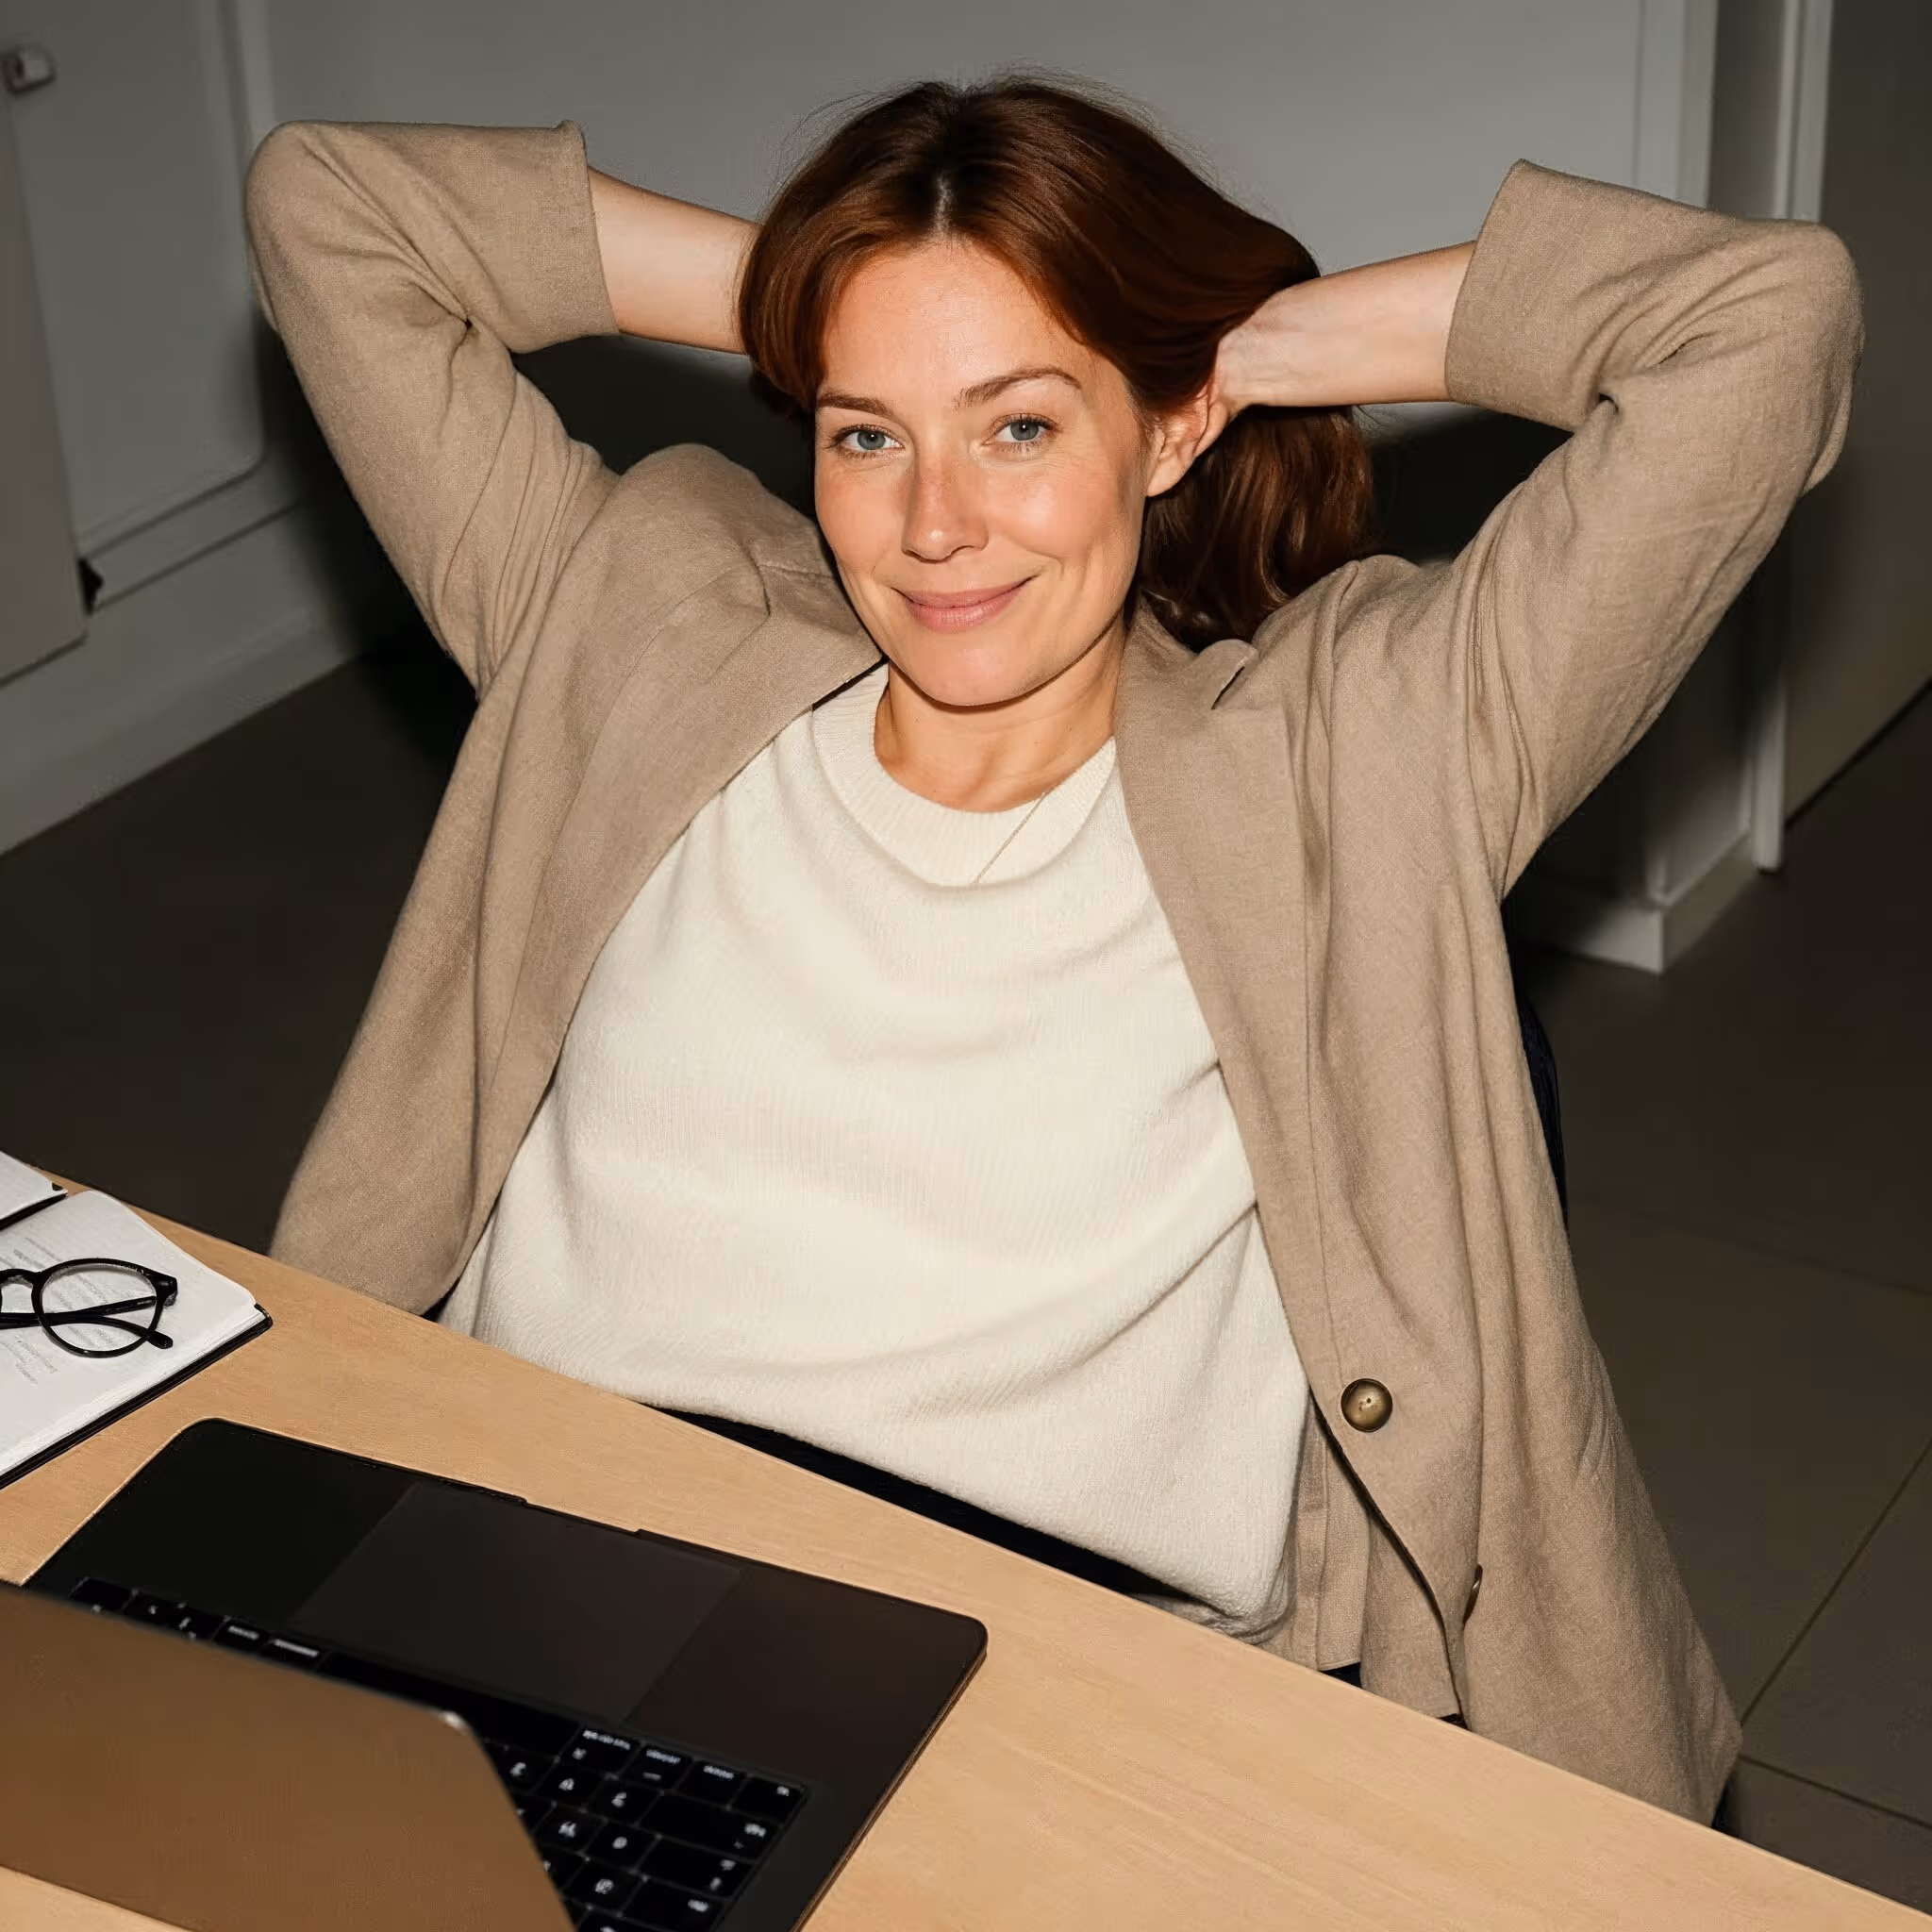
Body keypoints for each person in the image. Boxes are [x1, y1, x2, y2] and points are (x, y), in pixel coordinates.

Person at [241, 75, 1860, 1823]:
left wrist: (1246, 344)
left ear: (1167, 434)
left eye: (1018, 427)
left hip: (1037, 1683)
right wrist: (845, 297)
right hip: (525, 1567)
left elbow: (1762, 324)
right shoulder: (633, 617)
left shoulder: (1360, 751)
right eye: (865, 433)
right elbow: (331, 207)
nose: (933, 523)